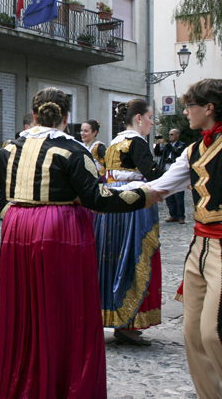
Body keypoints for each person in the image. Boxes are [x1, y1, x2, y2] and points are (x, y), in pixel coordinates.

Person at [0, 87, 163, 399]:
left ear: (34, 115)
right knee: (65, 310)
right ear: (67, 117)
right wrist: (144, 195)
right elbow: (97, 197)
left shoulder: (11, 147)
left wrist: (7, 209)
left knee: (20, 308)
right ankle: (62, 385)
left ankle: (17, 383)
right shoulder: (74, 151)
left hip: (17, 230)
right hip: (60, 230)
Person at [128, 79, 222, 398]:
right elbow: (159, 187)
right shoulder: (193, 150)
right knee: (193, 333)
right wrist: (98, 195)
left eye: (189, 106)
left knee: (213, 333)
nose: (186, 112)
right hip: (199, 249)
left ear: (208, 108)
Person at [94, 98, 165, 346]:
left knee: (112, 259)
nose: (151, 122)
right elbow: (153, 174)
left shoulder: (114, 143)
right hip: (133, 206)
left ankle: (114, 314)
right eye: (149, 117)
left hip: (112, 206)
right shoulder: (136, 142)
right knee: (135, 256)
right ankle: (129, 321)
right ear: (138, 118)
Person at [154, 128, 187, 223]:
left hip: (177, 173)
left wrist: (165, 143)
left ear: (177, 135)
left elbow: (176, 151)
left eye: (172, 134)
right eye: (169, 134)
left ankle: (181, 216)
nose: (170, 136)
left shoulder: (182, 145)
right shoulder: (166, 147)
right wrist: (158, 143)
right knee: (168, 195)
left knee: (178, 195)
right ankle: (173, 215)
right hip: (166, 171)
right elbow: (157, 153)